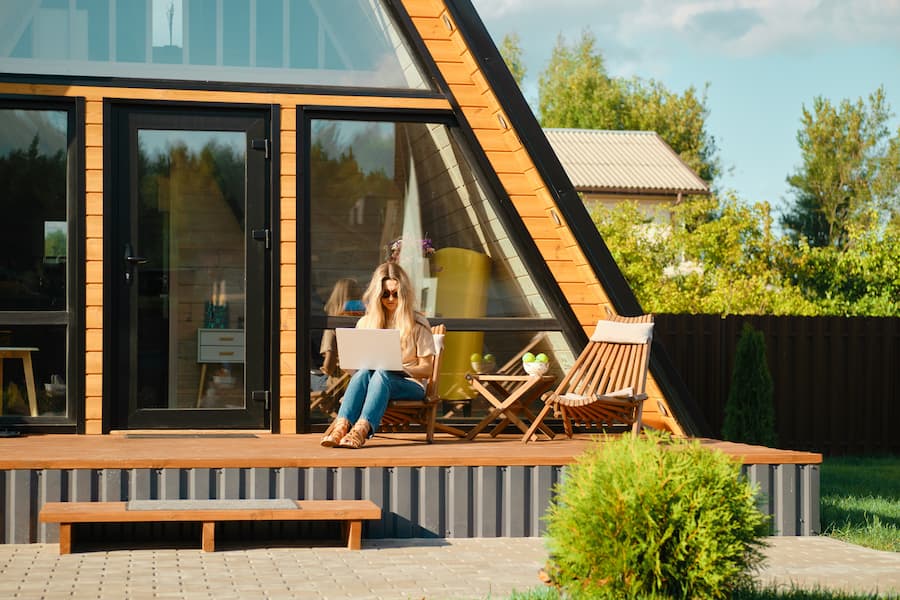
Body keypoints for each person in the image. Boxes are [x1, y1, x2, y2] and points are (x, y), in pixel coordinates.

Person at [320, 262, 435, 449]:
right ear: (377, 295)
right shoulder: (365, 322)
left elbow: (427, 369)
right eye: (385, 294)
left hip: (409, 385)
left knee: (381, 373)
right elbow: (354, 368)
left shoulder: (417, 323)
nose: (391, 299)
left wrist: (400, 367)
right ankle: (341, 428)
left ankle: (360, 430)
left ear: (404, 295)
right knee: (365, 371)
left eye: (396, 294)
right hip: (371, 381)